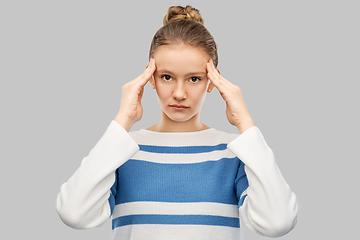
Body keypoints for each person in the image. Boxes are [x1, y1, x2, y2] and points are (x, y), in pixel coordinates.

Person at [55, 5, 298, 240]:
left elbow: (278, 223)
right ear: (149, 77)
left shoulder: (234, 152)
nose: (179, 93)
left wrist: (246, 125)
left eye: (194, 78)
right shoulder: (123, 150)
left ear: (212, 81)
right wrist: (122, 122)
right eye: (167, 77)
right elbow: (74, 214)